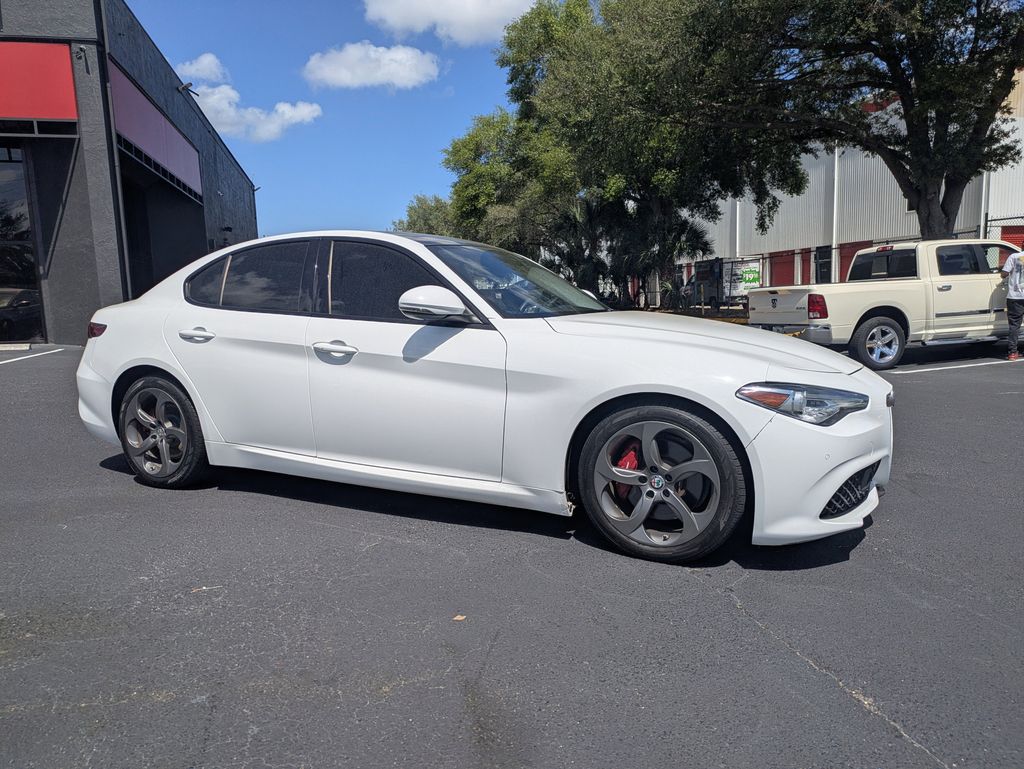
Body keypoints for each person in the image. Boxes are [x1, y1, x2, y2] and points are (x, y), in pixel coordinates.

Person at [1001, 249, 1024, 361]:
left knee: (1014, 325)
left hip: (1015, 296)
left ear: (1022, 245)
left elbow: (1004, 274)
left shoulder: (1014, 257)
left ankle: (1012, 353)